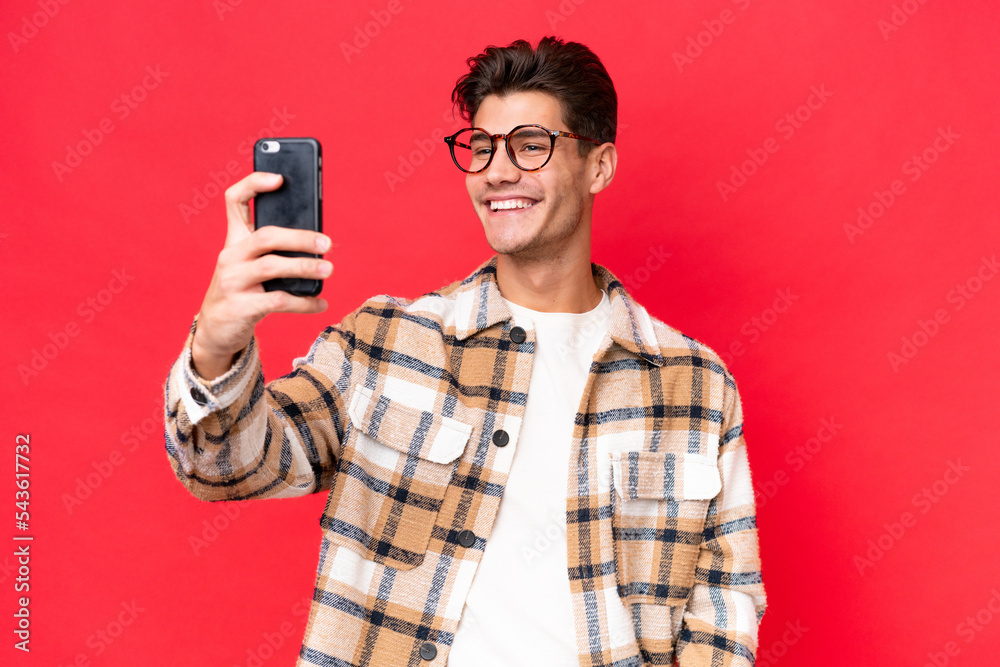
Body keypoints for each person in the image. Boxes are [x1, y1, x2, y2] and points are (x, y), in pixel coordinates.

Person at [162, 35, 766, 667]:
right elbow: (225, 467)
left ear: (599, 166)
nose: (498, 171)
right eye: (481, 148)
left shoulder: (694, 384)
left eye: (531, 145)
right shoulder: (386, 342)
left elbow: (726, 602)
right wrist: (217, 341)